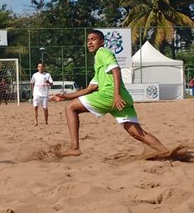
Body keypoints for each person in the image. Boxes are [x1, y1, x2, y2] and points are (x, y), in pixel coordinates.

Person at [50, 29, 171, 157]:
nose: (90, 42)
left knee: (71, 108)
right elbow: (89, 89)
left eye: (93, 39)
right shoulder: (99, 62)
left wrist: (116, 95)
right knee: (137, 133)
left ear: (101, 42)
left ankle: (74, 148)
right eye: (88, 40)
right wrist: (65, 96)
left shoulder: (103, 52)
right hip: (122, 99)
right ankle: (166, 152)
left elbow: (116, 70)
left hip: (110, 95)